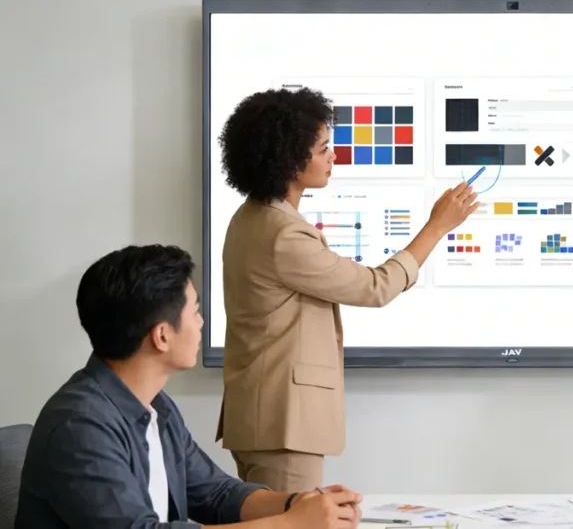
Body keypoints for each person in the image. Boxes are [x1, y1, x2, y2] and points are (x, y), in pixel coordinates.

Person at [215, 87, 478, 491]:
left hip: (259, 418)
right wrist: (437, 226)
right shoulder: (284, 235)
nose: (334, 156)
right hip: (284, 426)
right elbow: (376, 287)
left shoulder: (249, 218)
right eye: (323, 149)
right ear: (288, 158)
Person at [15, 244, 364, 529]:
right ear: (162, 336)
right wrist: (290, 524)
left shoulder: (156, 407)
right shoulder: (80, 425)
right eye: (195, 312)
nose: (201, 323)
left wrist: (295, 502)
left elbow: (216, 494)